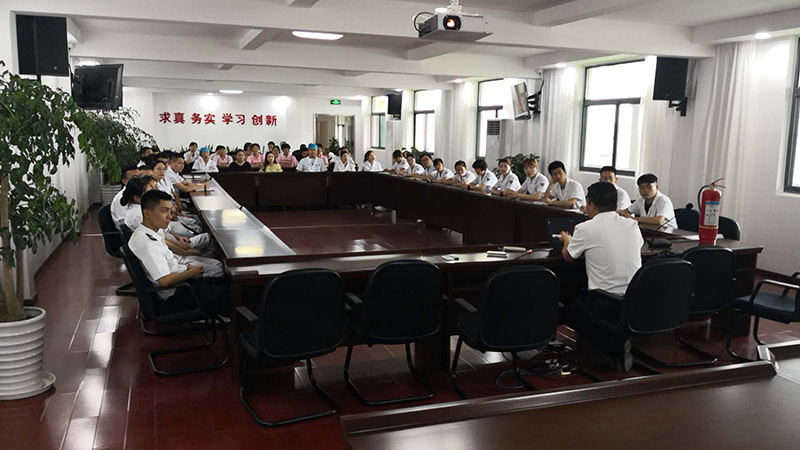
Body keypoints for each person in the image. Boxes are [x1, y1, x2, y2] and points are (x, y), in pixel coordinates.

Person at [560, 182, 644, 370]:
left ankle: (609, 344)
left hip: (604, 302)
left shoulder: (585, 228)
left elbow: (568, 257)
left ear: (591, 205)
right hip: (635, 298)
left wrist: (566, 240)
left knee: (569, 303)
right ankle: (613, 339)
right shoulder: (632, 225)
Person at [128, 190, 230, 314]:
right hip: (175, 294)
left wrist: (187, 268)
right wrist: (190, 273)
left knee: (223, 281)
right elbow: (165, 281)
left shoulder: (149, 231)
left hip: (182, 281)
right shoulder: (147, 243)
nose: (169, 216)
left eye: (169, 211)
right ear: (147, 213)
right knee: (230, 294)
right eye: (164, 211)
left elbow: (169, 263)